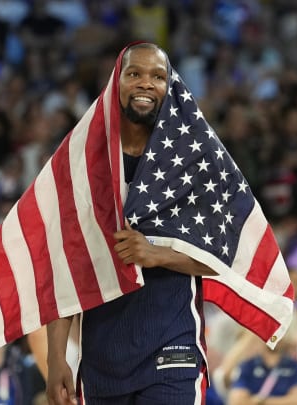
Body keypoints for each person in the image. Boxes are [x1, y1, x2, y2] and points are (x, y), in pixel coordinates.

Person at [46, 42, 218, 405]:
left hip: (173, 345)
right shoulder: (83, 163)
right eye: (134, 73)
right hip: (102, 355)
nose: (145, 83)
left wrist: (157, 254)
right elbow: (66, 265)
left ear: (170, 87)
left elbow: (220, 257)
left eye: (157, 76)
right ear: (116, 82)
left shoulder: (191, 161)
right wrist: (56, 355)